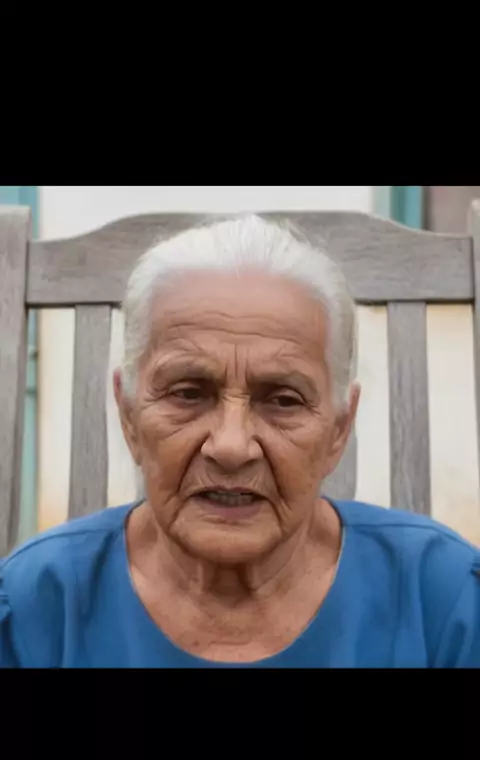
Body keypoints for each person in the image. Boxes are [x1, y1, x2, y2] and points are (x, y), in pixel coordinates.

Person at [1, 214, 479, 668]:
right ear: (128, 414)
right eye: (188, 393)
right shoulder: (34, 609)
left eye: (283, 400)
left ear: (339, 428)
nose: (231, 447)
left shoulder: (441, 603)